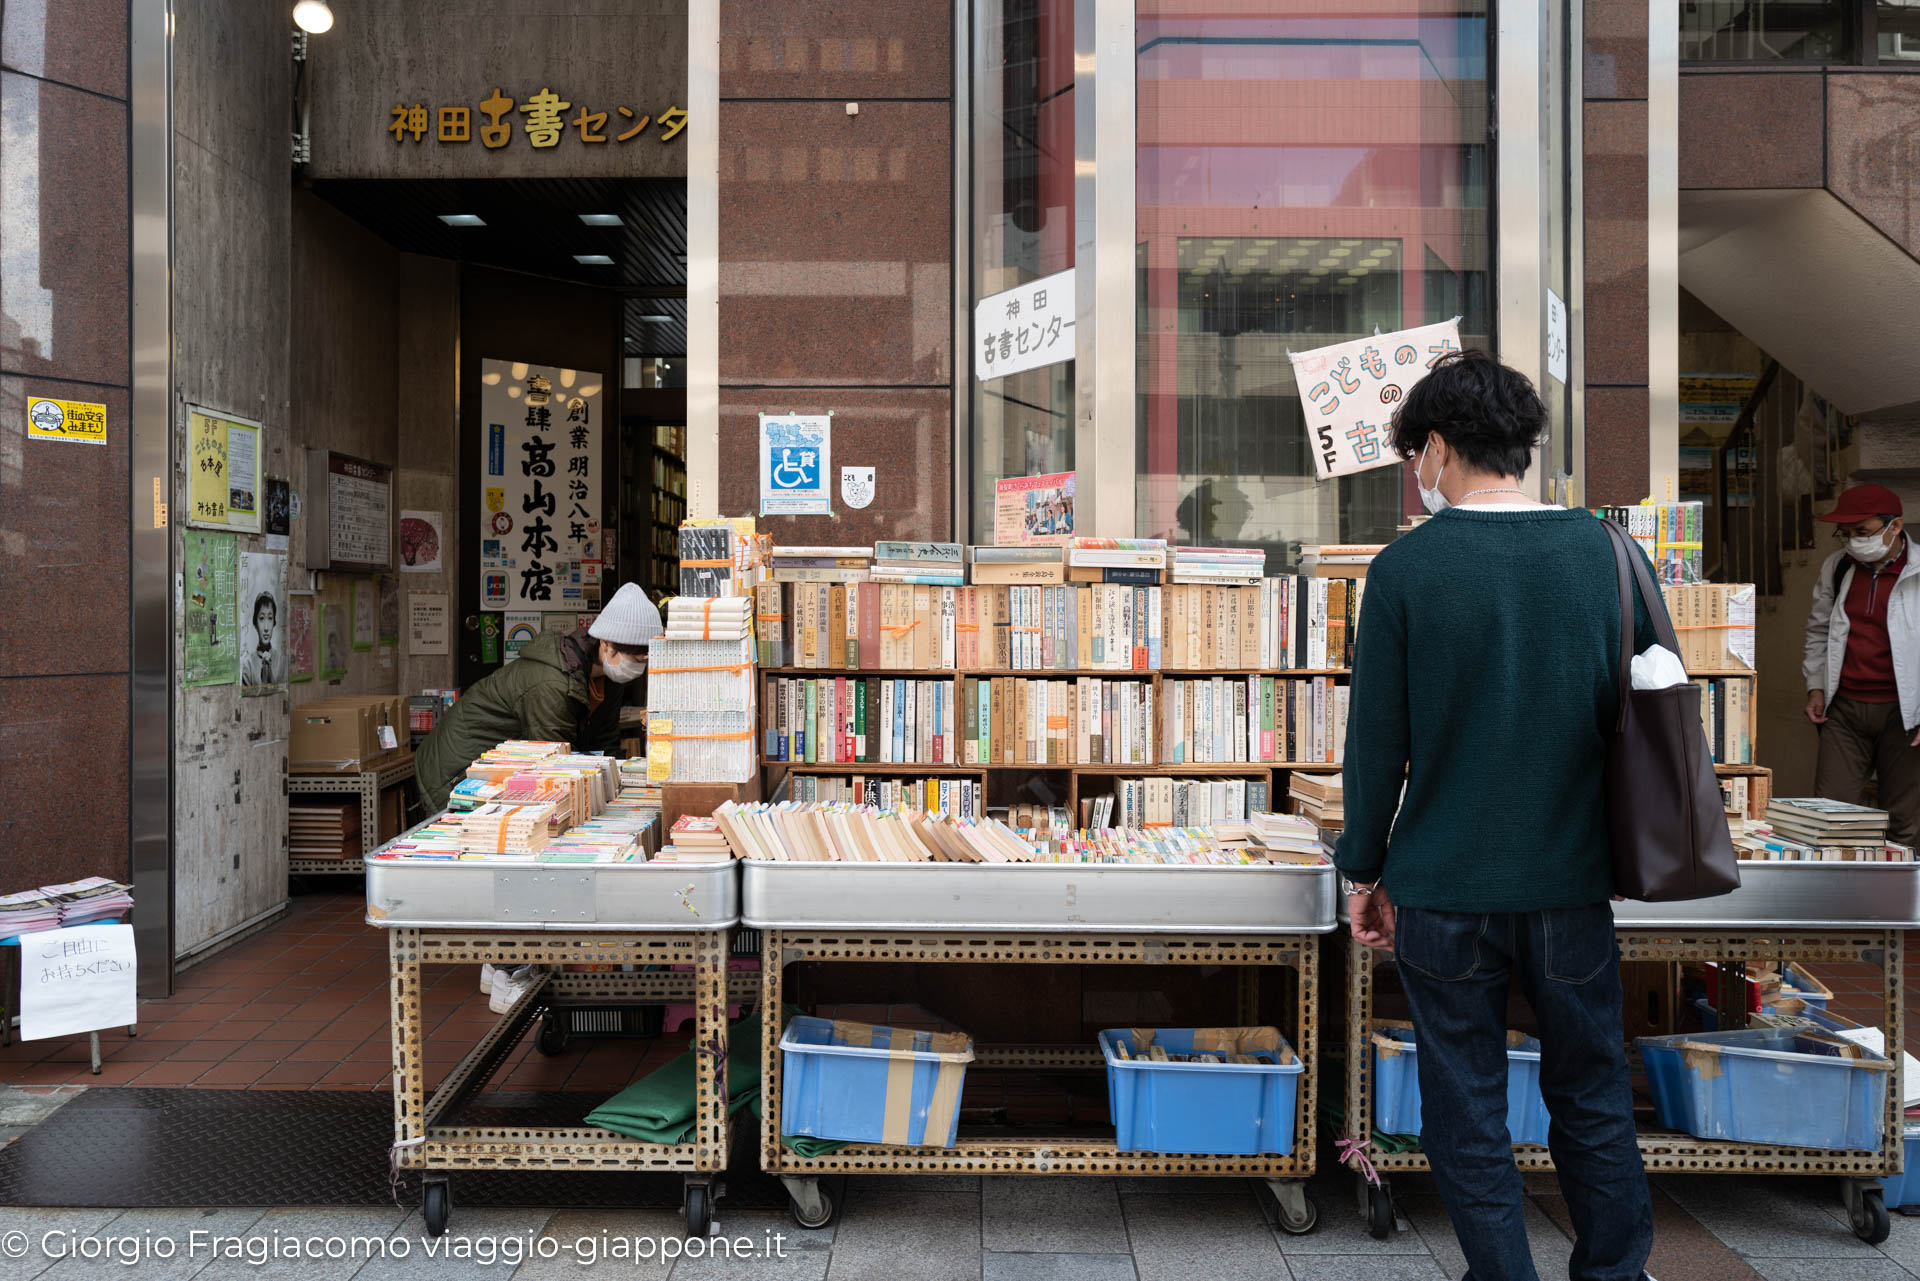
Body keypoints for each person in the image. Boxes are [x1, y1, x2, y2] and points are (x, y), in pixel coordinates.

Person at [1334, 350, 1665, 1281]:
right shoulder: (1608, 552)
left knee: (1466, 1100)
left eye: (1416, 456)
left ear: (1436, 447)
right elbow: (1656, 700)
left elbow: (1375, 751)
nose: (1418, 474)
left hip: (1444, 889)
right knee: (1594, 1092)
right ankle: (1613, 1271)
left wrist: (1362, 872)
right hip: (1572, 881)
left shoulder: (1406, 569)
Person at [414, 582, 663, 812]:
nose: (637, 668)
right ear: (607, 644)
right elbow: (556, 764)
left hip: (500, 773)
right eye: (634, 659)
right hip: (454, 771)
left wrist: (618, 788)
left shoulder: (610, 677)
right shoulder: (551, 683)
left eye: (644, 660)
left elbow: (605, 742)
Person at [1804, 483, 1920, 845]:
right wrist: (1816, 684)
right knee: (1829, 818)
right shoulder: (1837, 568)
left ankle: (1901, 902)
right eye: (1847, 533)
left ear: (1895, 527)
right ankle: (1836, 902)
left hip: (1905, 716)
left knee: (1906, 824)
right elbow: (1819, 629)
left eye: (1863, 532)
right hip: (1845, 712)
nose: (1854, 541)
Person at [242, 592, 279, 686]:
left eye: (270, 618)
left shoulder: (281, 661)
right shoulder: (248, 665)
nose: (266, 628)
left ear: (274, 622)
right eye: (261, 618)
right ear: (255, 623)